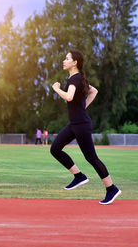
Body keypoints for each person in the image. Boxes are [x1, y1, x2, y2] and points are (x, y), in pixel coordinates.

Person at [50, 50, 121, 205]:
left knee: (91, 158)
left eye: (67, 58)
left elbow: (69, 97)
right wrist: (83, 107)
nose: (64, 60)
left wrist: (56, 89)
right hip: (75, 123)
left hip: (81, 124)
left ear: (75, 62)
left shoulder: (74, 80)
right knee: (55, 149)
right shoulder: (78, 79)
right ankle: (79, 176)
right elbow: (93, 91)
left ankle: (111, 188)